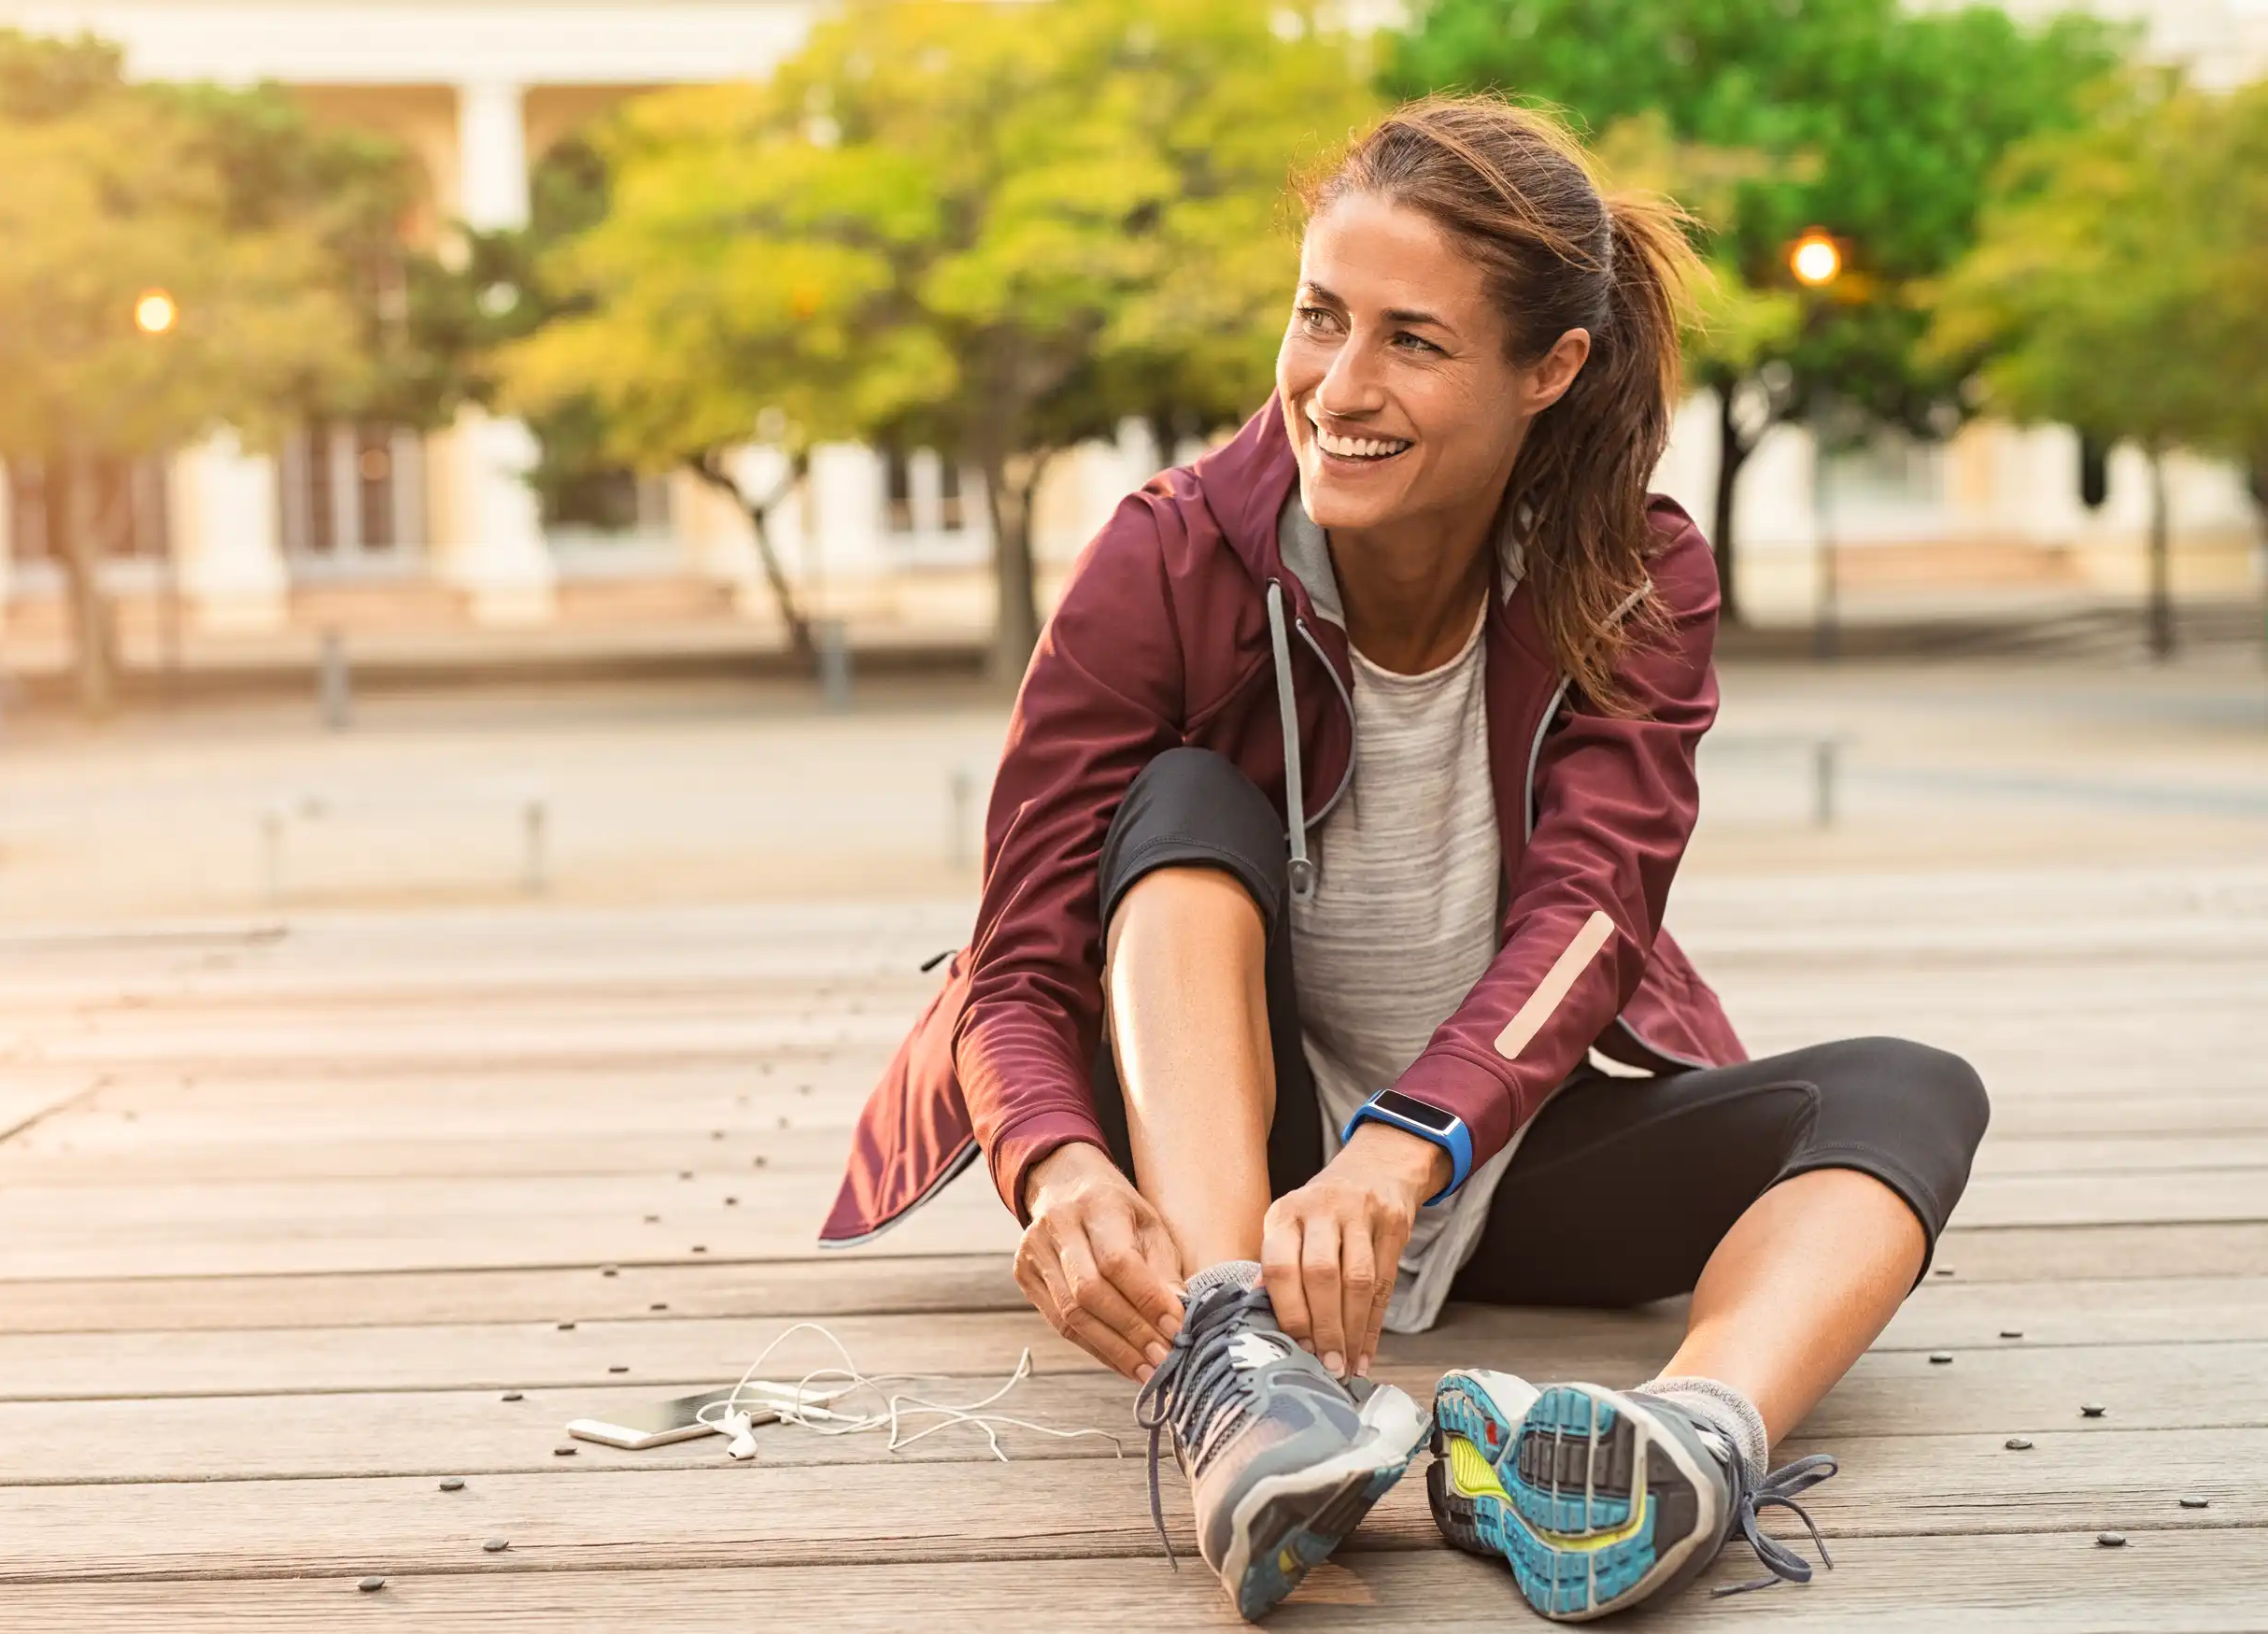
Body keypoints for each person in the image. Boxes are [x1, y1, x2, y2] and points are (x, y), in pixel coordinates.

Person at [822, 94, 1987, 1623]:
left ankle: (1692, 1443)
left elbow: (1595, 913)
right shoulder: (1166, 558)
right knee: (1180, 804)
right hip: (1240, 1171)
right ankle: (1238, 1378)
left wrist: (1411, 1142)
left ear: (1549, 370)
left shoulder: (1637, 576)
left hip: (1480, 1150)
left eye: (1413, 342)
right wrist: (1057, 1164)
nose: (1338, 386)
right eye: (1319, 318)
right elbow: (1019, 956)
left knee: (1909, 1091)